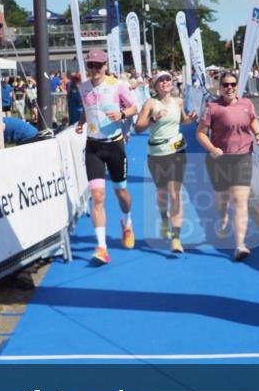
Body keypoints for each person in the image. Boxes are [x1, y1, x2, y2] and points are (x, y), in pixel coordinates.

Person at [74, 49, 138, 265]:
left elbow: (134, 107)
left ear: (105, 66)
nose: (94, 69)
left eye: (98, 65)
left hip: (115, 146)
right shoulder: (82, 87)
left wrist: (122, 114)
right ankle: (102, 247)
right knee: (98, 195)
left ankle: (127, 223)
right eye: (90, 65)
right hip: (93, 147)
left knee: (121, 193)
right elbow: (87, 108)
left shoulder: (117, 84)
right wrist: (82, 121)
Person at [196, 70, 259, 261]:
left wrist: (257, 134)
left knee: (240, 200)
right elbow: (200, 133)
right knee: (222, 198)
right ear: (220, 87)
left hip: (242, 156)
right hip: (219, 158)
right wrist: (211, 148)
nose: (230, 88)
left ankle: (240, 245)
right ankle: (223, 216)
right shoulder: (213, 107)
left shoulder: (246, 104)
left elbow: (253, 120)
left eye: (233, 84)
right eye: (225, 84)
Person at [135, 71, 197, 254]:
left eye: (167, 79)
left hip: (177, 150)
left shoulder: (178, 101)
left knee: (174, 193)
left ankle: (176, 239)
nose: (165, 83)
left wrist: (190, 119)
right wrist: (154, 118)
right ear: (155, 86)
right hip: (156, 153)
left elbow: (183, 120)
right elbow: (138, 128)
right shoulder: (151, 104)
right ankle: (163, 218)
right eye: (161, 81)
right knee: (162, 193)